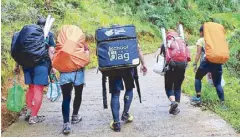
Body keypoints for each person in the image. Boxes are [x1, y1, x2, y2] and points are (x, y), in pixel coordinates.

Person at [14, 17, 56, 124]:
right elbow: (51, 50)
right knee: (38, 89)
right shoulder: (48, 34)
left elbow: (20, 50)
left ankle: (28, 112)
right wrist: (53, 66)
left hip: (27, 65)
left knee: (31, 87)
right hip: (41, 65)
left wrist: (17, 65)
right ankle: (34, 117)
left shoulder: (28, 35)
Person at [109, 44, 147, 132]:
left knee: (115, 94)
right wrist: (143, 63)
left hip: (113, 67)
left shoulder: (110, 35)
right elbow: (138, 49)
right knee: (129, 89)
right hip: (129, 65)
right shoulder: (128, 32)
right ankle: (125, 114)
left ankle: (116, 123)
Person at [191, 26, 225, 106]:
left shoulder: (202, 40)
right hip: (218, 62)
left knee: (198, 77)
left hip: (207, 62)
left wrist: (195, 64)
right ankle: (222, 103)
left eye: (200, 32)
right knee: (217, 84)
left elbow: (198, 53)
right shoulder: (217, 40)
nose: (200, 34)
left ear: (203, 32)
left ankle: (198, 98)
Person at [160, 29, 188, 115]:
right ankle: (176, 106)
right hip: (182, 66)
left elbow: (162, 55)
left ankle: (173, 102)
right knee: (177, 86)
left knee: (168, 87)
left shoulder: (166, 43)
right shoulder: (182, 42)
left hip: (171, 66)